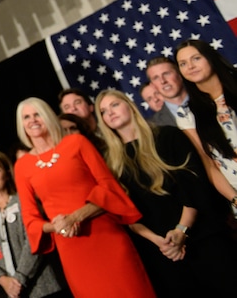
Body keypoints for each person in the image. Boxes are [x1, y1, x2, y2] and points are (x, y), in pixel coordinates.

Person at [96, 89, 236, 297]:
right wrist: (158, 241)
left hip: (203, 237)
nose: (110, 113)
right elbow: (125, 212)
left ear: (129, 105)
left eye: (114, 105)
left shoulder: (168, 136)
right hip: (163, 254)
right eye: (104, 111)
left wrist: (181, 230)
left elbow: (195, 187)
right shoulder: (110, 163)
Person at [14, 97, 155, 298]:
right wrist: (56, 226)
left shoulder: (77, 142)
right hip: (71, 245)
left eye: (37, 114)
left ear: (48, 116)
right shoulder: (22, 166)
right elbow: (30, 219)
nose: (32, 120)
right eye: (26, 117)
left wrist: (76, 217)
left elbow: (108, 187)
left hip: (105, 235)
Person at [0, 151, 69, 298]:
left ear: (7, 173)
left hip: (40, 286)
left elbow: (34, 239)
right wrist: (1, 279)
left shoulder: (23, 200)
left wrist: (20, 278)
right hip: (4, 290)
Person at [176, 39, 237, 216]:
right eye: (183, 63)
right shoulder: (186, 114)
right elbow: (208, 163)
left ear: (210, 57)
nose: (190, 66)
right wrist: (234, 198)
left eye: (196, 58)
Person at [146, 57, 186, 127]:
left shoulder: (208, 101)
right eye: (156, 78)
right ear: (152, 85)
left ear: (180, 74)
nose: (163, 81)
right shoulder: (154, 125)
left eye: (166, 74)